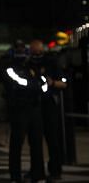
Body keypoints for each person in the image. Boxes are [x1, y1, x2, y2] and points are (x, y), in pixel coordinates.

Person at [4, 44, 46, 183]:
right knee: (16, 144)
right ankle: (15, 176)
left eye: (24, 50)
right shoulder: (11, 68)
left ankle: (38, 174)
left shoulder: (32, 67)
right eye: (19, 50)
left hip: (34, 108)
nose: (22, 53)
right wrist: (35, 86)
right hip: (19, 110)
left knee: (36, 143)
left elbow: (43, 84)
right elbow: (20, 82)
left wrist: (37, 85)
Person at [30, 39, 67, 180]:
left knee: (52, 139)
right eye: (33, 51)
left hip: (48, 104)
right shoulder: (29, 63)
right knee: (35, 141)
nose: (35, 54)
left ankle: (55, 169)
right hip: (34, 105)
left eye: (37, 51)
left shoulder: (51, 63)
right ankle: (37, 170)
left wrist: (52, 83)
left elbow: (63, 83)